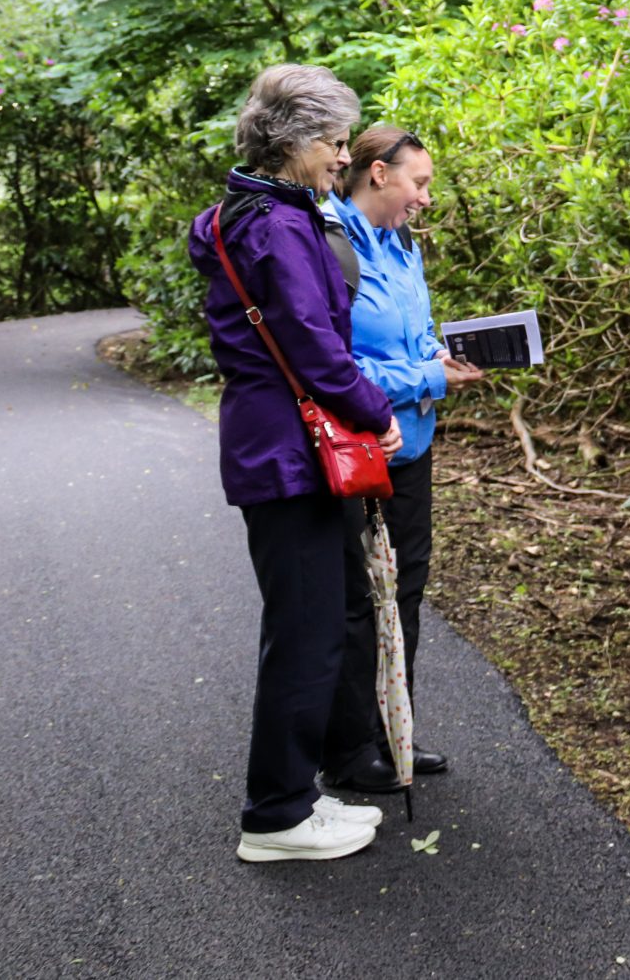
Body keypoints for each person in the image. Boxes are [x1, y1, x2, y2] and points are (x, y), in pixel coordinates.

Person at [186, 63, 405, 863]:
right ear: (294, 141)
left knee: (306, 626)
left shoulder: (241, 210)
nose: (342, 159)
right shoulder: (277, 225)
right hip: (289, 451)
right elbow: (314, 347)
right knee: (307, 633)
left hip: (272, 442)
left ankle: (293, 799)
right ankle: (276, 814)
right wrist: (376, 415)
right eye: (334, 144)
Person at [320, 124, 484, 793]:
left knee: (405, 592)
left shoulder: (403, 243)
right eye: (418, 183)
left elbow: (409, 342)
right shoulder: (328, 244)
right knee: (359, 600)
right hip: (358, 451)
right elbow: (335, 368)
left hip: (412, 447)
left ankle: (395, 730)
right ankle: (349, 750)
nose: (424, 199)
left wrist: (443, 363)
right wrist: (429, 378)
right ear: (379, 174)